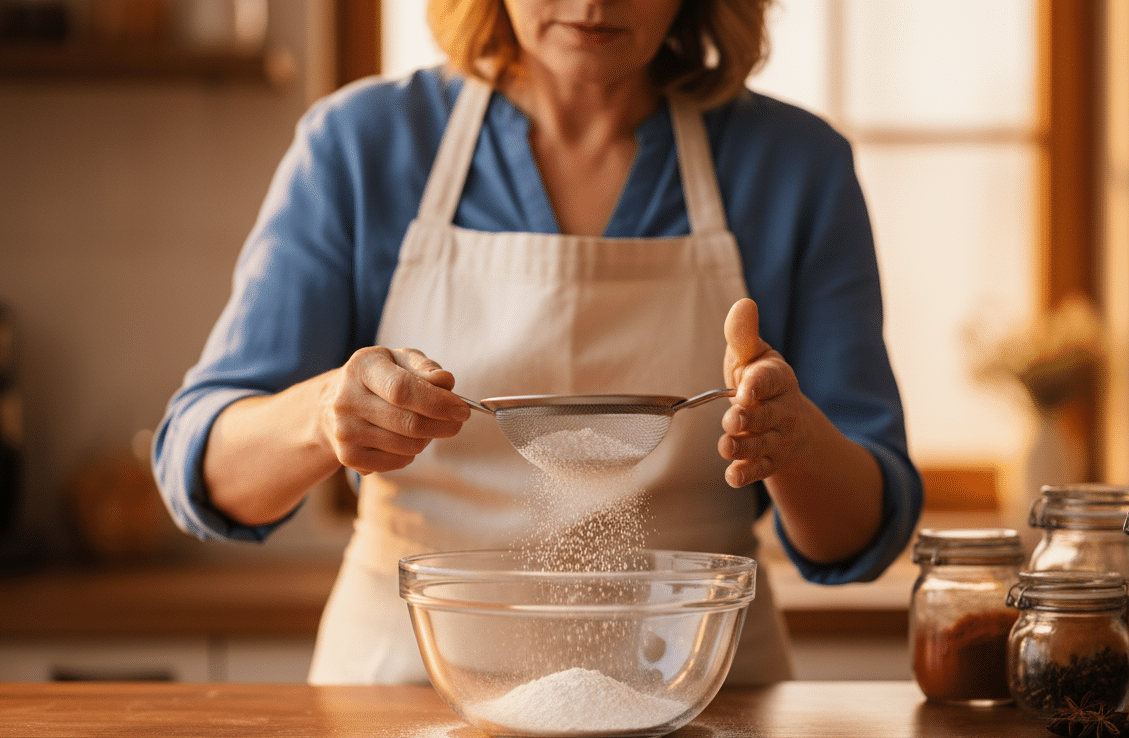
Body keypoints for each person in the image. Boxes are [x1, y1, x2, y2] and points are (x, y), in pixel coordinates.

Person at [153, 0, 924, 685]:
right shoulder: (361, 146)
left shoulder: (794, 167)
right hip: (399, 700)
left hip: (704, 705)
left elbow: (860, 533)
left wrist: (795, 443)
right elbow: (203, 462)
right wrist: (324, 413)